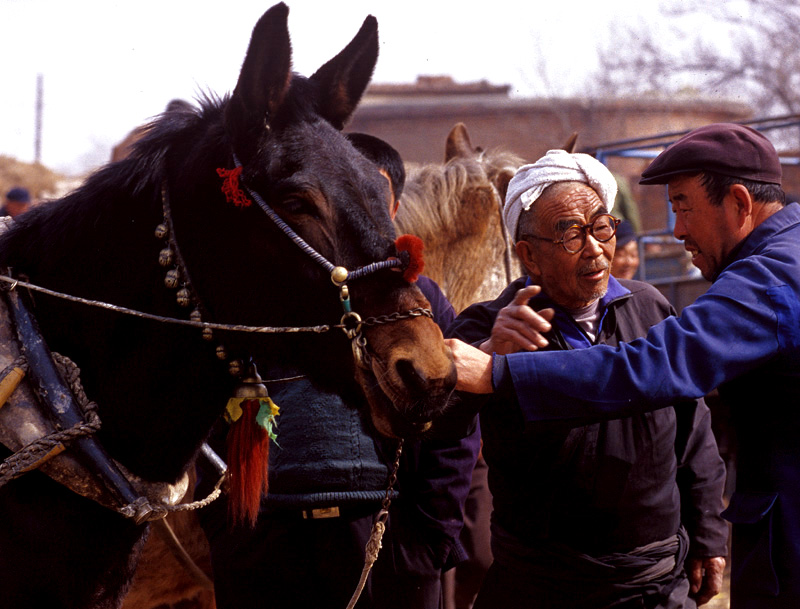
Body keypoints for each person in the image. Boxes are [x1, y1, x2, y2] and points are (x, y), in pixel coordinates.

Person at [447, 123, 799, 609]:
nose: (594, 248)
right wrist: (487, 354)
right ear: (528, 255)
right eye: (570, 234)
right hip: (538, 585)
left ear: (739, 204)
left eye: (601, 227)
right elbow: (437, 421)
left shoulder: (654, 306)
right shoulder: (488, 327)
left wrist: (707, 531)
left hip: (651, 585)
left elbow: (687, 420)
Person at [199, 133, 479, 609]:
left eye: (369, 193)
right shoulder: (255, 297)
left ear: (389, 209)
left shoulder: (421, 303)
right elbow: (203, 410)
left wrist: (425, 541)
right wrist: (229, 535)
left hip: (382, 536)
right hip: (264, 541)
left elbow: (454, 429)